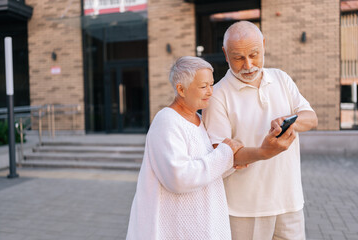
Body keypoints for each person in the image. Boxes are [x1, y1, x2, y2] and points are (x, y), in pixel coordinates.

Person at [126, 56, 295, 240]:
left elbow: (207, 169)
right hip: (176, 228)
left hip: (201, 225)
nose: (210, 92)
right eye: (203, 86)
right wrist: (225, 153)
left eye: (211, 84)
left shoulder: (199, 119)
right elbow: (178, 178)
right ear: (181, 89)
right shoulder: (167, 121)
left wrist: (231, 161)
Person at [202, 21, 318, 240]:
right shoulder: (217, 95)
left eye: (254, 54)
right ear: (226, 54)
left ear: (263, 45)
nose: (248, 65)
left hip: (289, 202)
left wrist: (288, 122)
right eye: (238, 58)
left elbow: (311, 117)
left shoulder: (282, 78)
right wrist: (265, 151)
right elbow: (221, 155)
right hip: (244, 209)